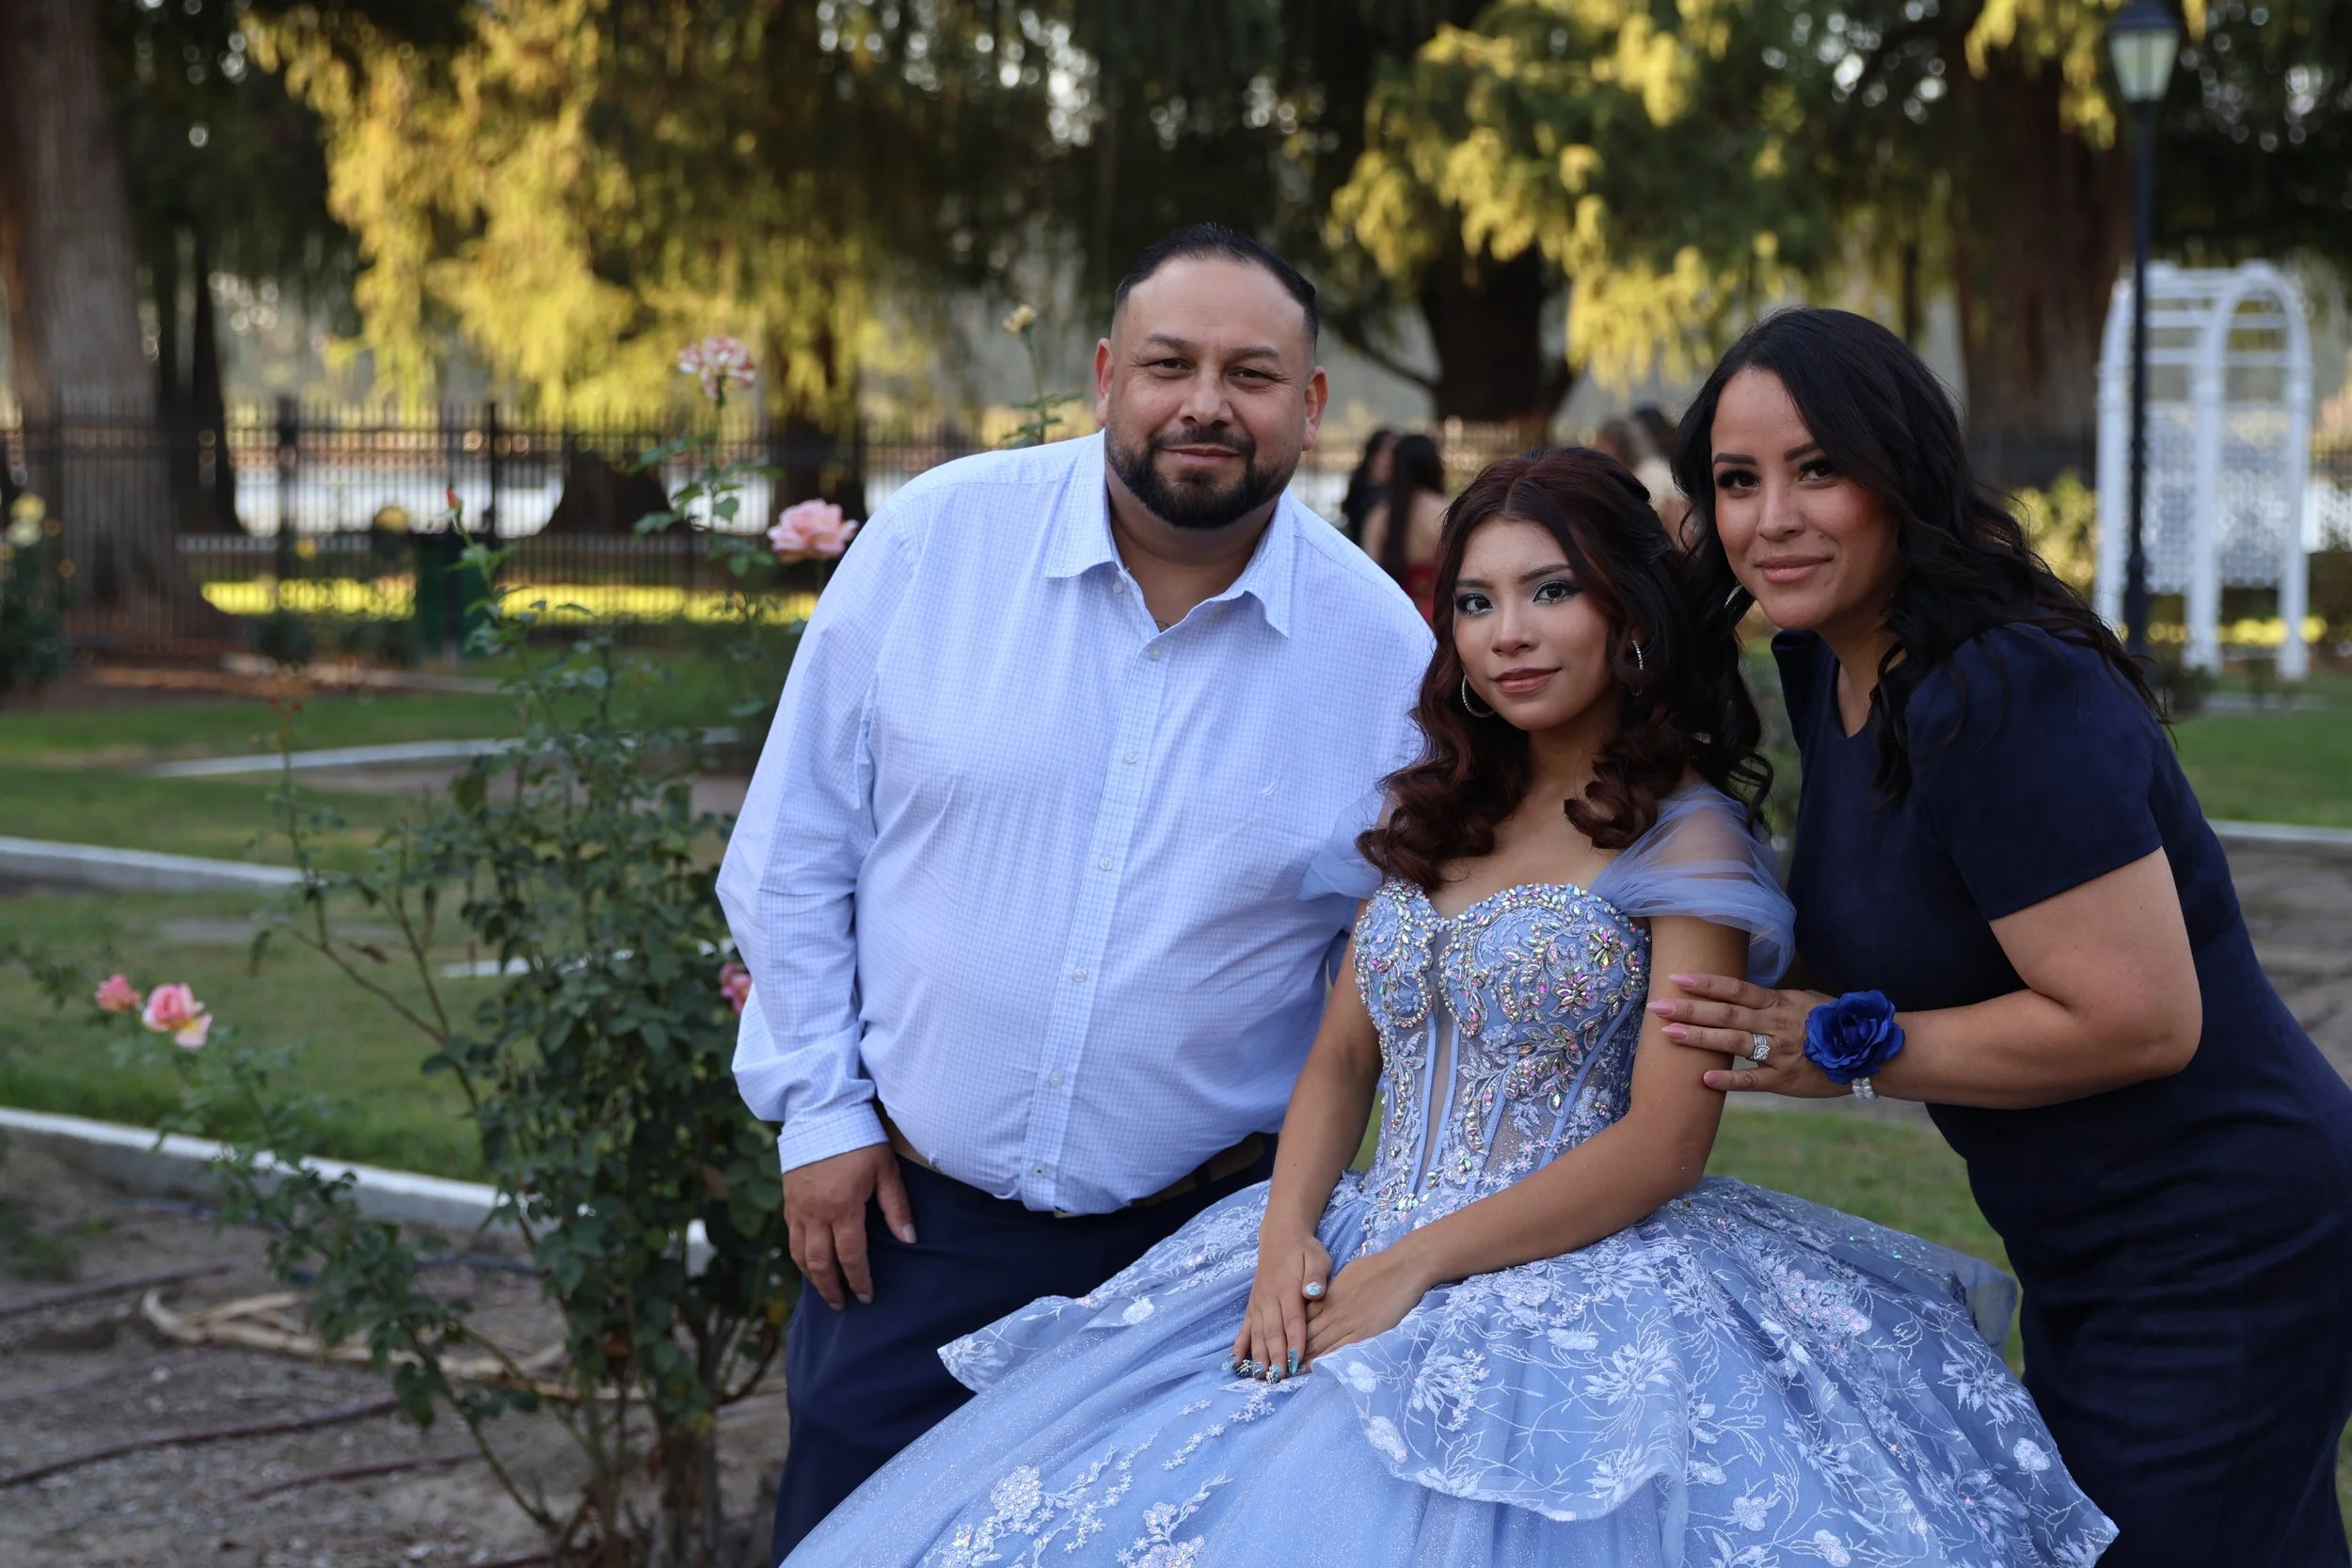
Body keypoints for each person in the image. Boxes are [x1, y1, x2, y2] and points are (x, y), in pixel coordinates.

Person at [780, 448, 2114, 1568]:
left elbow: (1664, 1142)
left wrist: (1421, 1262)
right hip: (1349, 1238)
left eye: (1550, 591)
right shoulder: (1434, 805)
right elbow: (1339, 1061)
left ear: (1628, 614)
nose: (1510, 630)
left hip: (1567, 1264)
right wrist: (1285, 1236)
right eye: (1475, 601)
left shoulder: (1686, 838)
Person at [716, 222, 1434, 1556]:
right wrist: (816, 1109)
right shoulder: (937, 544)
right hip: (910, 1228)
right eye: (1170, 363)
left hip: (1205, 1260)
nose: (1206, 402)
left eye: (1253, 372)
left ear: (1314, 404)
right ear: (1107, 373)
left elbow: (1396, 961)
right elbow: (794, 844)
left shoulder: (1384, 654)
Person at [1649, 306, 2352, 1567]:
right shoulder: (1828, 662)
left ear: (1901, 471)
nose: (1772, 516)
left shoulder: (2003, 687)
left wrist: (1849, 1046)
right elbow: (1905, 918)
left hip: (2226, 1234)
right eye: (1737, 480)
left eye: (1820, 467)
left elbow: (2140, 1015)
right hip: (2084, 1241)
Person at [1359, 431, 1447, 618]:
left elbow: (1370, 576)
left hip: (1395, 616)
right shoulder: (1447, 510)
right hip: (1442, 617)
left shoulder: (1380, 516)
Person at [1338, 426, 1396, 545]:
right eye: (1388, 453)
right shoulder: (1371, 494)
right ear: (1373, 456)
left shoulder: (1364, 487)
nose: (1393, 459)